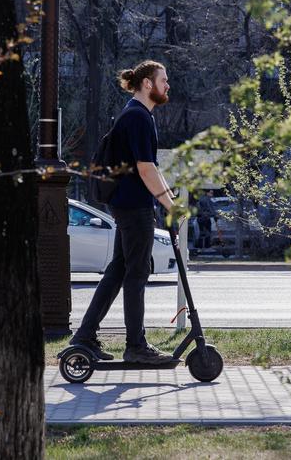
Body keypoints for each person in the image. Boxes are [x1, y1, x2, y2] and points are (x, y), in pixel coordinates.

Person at [70, 60, 177, 364]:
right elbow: (145, 169)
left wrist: (171, 201)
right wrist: (168, 205)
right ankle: (136, 346)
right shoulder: (139, 117)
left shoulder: (135, 114)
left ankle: (85, 336)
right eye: (163, 80)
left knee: (118, 270)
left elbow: (152, 168)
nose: (167, 85)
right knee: (137, 274)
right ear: (147, 84)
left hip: (128, 205)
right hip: (134, 208)